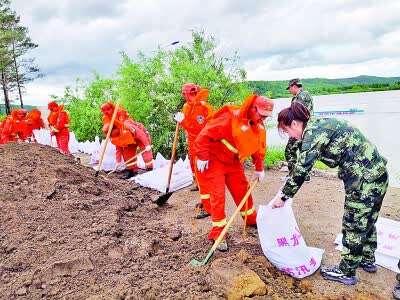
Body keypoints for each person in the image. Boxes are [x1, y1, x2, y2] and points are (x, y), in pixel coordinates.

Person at [271, 102, 388, 285]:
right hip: (378, 173)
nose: (290, 136)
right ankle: (367, 259)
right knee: (367, 219)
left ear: (295, 124)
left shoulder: (313, 133)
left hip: (363, 180)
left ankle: (347, 272)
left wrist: (283, 196)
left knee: (353, 224)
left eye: (287, 131)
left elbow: (302, 169)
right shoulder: (319, 123)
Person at [194, 94, 274, 251]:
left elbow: (257, 148)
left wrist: (259, 167)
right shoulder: (228, 118)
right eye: (261, 114)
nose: (262, 119)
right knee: (217, 196)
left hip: (234, 162)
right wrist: (202, 156)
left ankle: (251, 219)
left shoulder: (258, 125)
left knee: (242, 190)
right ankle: (218, 233)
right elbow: (204, 135)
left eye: (266, 117)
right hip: (215, 160)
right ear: (252, 108)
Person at [174, 83, 213, 219]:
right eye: (185, 95)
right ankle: (204, 201)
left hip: (203, 144)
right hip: (192, 143)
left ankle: (209, 206)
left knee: (205, 174)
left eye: (190, 95)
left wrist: (183, 121)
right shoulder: (186, 106)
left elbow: (198, 129)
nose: (187, 98)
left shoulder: (204, 108)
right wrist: (182, 121)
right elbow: (189, 128)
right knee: (196, 170)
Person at [101, 102, 153, 179]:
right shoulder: (116, 136)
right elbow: (118, 149)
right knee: (127, 154)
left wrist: (147, 145)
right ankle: (132, 171)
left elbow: (141, 134)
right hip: (129, 141)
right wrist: (118, 162)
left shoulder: (127, 125)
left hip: (139, 137)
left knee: (146, 152)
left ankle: (149, 168)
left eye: (108, 109)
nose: (106, 112)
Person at [285, 78, 314, 181]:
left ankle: (294, 175)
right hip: (303, 129)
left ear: (294, 86)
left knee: (289, 150)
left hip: (301, 129)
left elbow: (298, 114)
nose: (289, 90)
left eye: (289, 88)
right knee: (303, 152)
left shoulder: (302, 96)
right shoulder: (298, 97)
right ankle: (304, 176)